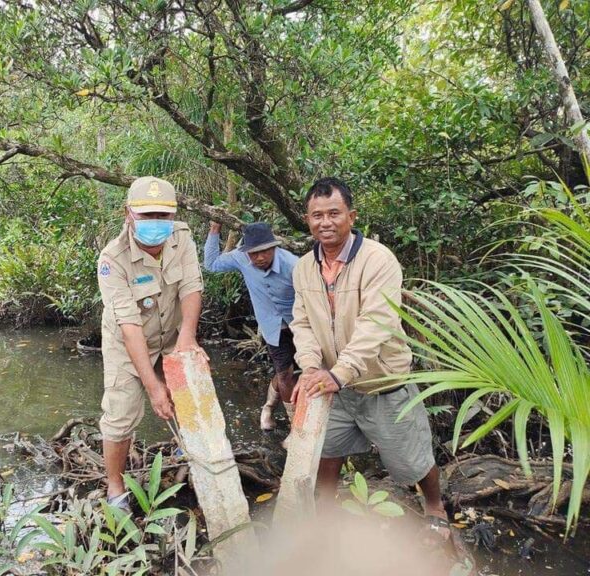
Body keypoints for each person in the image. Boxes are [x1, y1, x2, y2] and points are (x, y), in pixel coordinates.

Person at [289, 176, 449, 539]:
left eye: (334, 213)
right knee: (328, 449)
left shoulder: (378, 260)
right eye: (317, 215)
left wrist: (340, 372)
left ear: (351, 216)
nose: (325, 222)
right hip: (333, 383)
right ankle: (325, 513)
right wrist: (310, 366)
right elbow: (302, 322)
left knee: (412, 458)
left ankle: (435, 506)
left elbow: (376, 323)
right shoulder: (303, 267)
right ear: (307, 219)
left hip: (382, 382)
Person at [97, 176, 205, 510]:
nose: (156, 222)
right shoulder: (113, 259)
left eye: (163, 215)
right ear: (128, 213)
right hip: (127, 342)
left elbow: (191, 287)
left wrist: (187, 339)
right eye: (147, 215)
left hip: (171, 331)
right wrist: (153, 385)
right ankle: (115, 488)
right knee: (122, 413)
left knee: (187, 393)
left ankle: (186, 451)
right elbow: (129, 327)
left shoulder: (181, 237)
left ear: (173, 215)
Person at [204, 222, 299, 436]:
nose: (260, 258)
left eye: (265, 251)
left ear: (274, 247)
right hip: (272, 327)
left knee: (307, 371)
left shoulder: (293, 265)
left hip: (301, 324)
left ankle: (270, 406)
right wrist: (214, 230)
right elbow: (211, 264)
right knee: (285, 373)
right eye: (253, 253)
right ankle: (294, 426)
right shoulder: (240, 258)